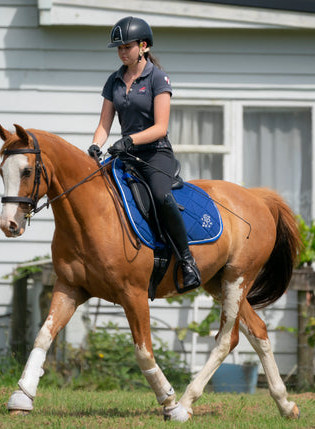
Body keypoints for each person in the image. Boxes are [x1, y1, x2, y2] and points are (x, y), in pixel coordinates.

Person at [88, 16, 201, 290]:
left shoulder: (158, 78)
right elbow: (104, 124)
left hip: (154, 154)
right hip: (125, 156)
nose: (123, 52)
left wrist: (129, 140)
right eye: (119, 48)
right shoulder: (113, 80)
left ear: (144, 46)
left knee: (162, 197)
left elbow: (161, 127)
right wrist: (95, 146)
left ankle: (187, 261)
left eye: (128, 46)